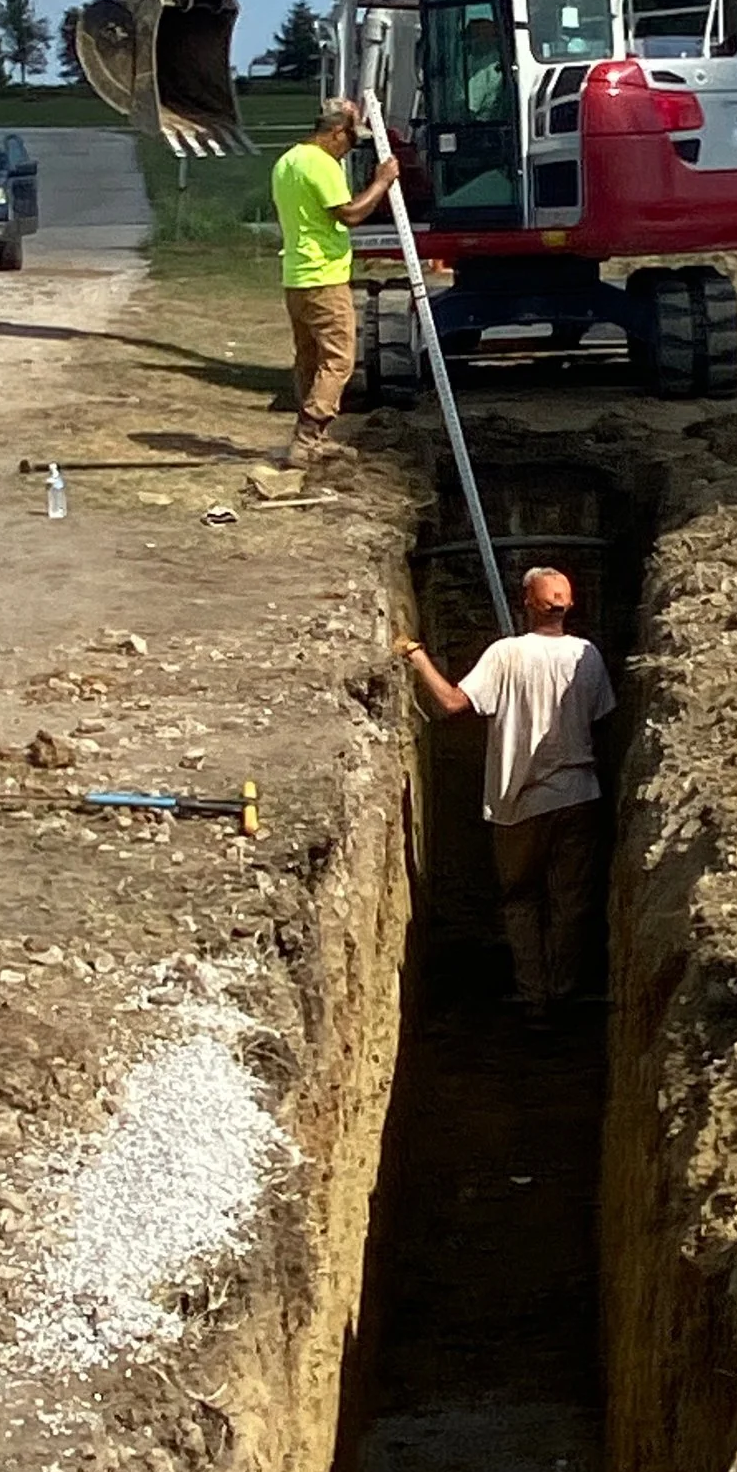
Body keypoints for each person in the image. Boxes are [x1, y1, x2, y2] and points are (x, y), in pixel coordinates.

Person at [396, 565, 616, 1026]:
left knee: (521, 899)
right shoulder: (588, 655)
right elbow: (602, 721)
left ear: (527, 603)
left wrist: (418, 658)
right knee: (571, 900)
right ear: (568, 605)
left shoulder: (505, 654)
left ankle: (535, 999)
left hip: (518, 804)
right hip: (578, 796)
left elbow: (453, 703)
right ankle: (565, 993)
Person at [270, 99, 399, 462]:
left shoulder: (287, 161)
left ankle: (313, 437)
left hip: (296, 276)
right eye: (350, 141)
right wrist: (382, 182)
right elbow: (350, 214)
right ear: (336, 133)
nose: (349, 150)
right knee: (339, 360)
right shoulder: (321, 164)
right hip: (324, 276)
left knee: (309, 359)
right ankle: (308, 436)